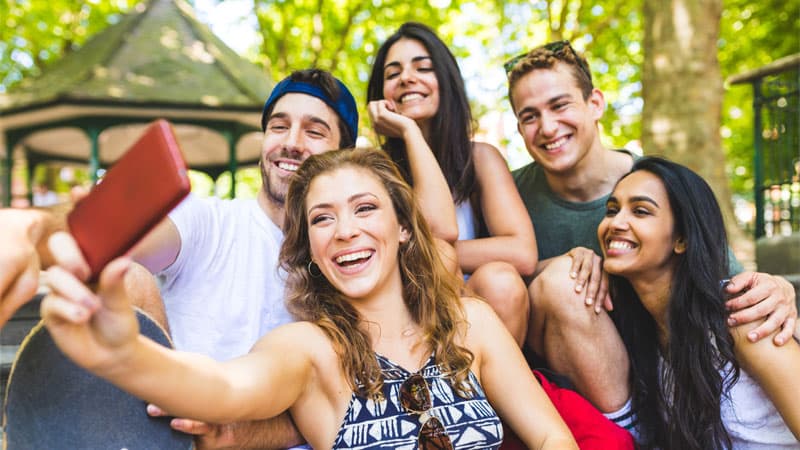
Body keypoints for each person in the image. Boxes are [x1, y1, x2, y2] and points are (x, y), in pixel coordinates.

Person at [41, 148, 579, 450]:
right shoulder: (308, 351)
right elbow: (222, 388)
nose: (344, 230)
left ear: (403, 230)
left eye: (365, 208)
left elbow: (553, 438)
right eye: (323, 218)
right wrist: (124, 355)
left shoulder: (474, 324)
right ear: (312, 251)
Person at [0, 68, 359, 449]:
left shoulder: (357, 259)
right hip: (158, 429)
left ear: (345, 156)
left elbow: (349, 406)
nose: (291, 143)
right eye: (278, 126)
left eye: (314, 131)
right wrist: (35, 231)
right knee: (126, 275)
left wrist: (236, 434)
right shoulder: (209, 221)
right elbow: (117, 240)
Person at [504, 40, 798, 416]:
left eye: (560, 105)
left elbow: (722, 285)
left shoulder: (660, 184)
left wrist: (779, 289)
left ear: (595, 103)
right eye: (529, 116)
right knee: (563, 278)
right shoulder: (506, 196)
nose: (547, 127)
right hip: (577, 381)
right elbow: (484, 283)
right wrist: (560, 262)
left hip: (668, 372)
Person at [600, 157, 799, 448]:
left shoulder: (741, 317)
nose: (616, 223)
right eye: (612, 210)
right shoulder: (644, 328)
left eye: (640, 211)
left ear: (682, 238)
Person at [367, 22, 536, 345]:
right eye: (392, 74)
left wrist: (434, 250)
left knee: (498, 278)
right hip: (408, 313)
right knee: (441, 258)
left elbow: (522, 252)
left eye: (424, 68)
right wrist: (409, 131)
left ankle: (496, 392)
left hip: (479, 309)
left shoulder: (481, 158)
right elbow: (437, 228)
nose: (406, 78)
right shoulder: (372, 170)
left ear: (446, 81)